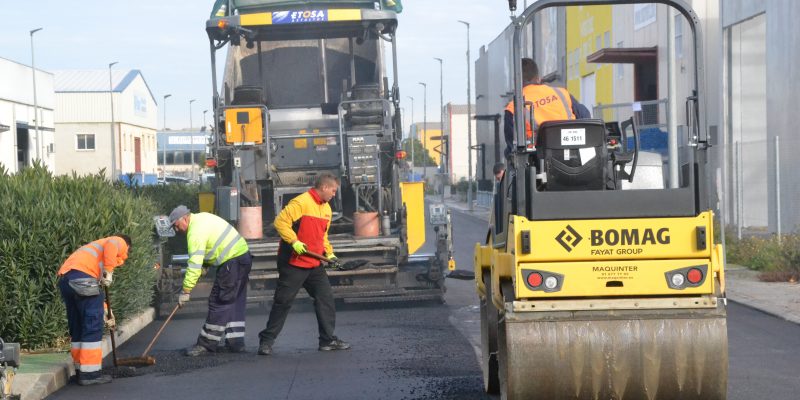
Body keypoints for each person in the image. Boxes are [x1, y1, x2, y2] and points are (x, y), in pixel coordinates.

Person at [258, 173, 350, 355]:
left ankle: (327, 340)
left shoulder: (326, 209)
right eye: (333, 190)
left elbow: (322, 236)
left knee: (325, 300)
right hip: (293, 262)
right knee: (283, 302)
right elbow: (280, 222)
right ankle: (266, 341)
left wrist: (329, 253)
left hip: (314, 264)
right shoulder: (301, 202)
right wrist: (294, 241)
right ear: (324, 187)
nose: (334, 194)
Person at [169, 205, 253, 356]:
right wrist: (206, 266)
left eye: (176, 225)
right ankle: (236, 343)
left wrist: (186, 291)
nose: (177, 230)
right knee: (233, 302)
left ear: (185, 218)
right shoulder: (202, 218)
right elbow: (212, 246)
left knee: (219, 301)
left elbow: (194, 264)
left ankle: (207, 344)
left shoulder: (194, 232)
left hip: (231, 262)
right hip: (243, 258)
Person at [58, 234, 132, 386]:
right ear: (128, 247)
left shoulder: (92, 255)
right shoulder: (119, 241)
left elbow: (93, 292)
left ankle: (81, 371)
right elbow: (113, 244)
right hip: (82, 280)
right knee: (92, 326)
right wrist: (109, 271)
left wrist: (106, 311)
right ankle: (90, 375)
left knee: (78, 326)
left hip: (67, 280)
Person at [504, 58, 591, 157]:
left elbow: (512, 145)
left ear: (516, 82)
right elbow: (585, 117)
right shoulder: (562, 93)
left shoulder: (513, 107)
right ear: (538, 78)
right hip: (574, 155)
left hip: (538, 162)